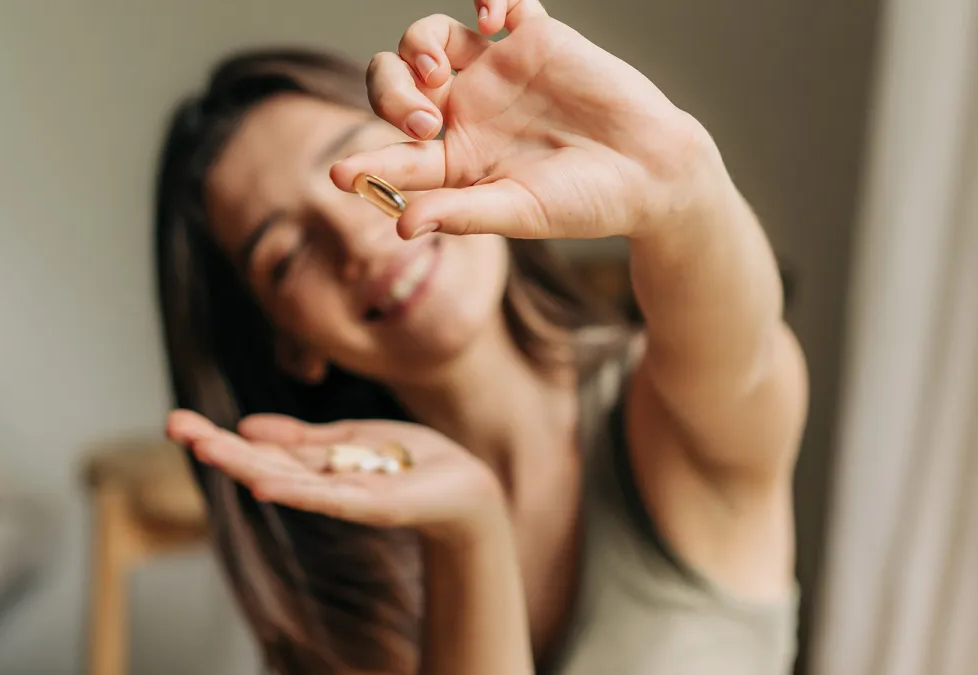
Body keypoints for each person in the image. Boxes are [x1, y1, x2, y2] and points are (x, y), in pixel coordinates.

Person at [155, 1, 807, 673]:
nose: (356, 240)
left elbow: (749, 356)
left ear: (439, 144)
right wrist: (468, 532)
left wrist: (680, 179)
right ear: (289, 343)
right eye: (288, 256)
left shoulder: (669, 412)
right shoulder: (347, 572)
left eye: (364, 172)